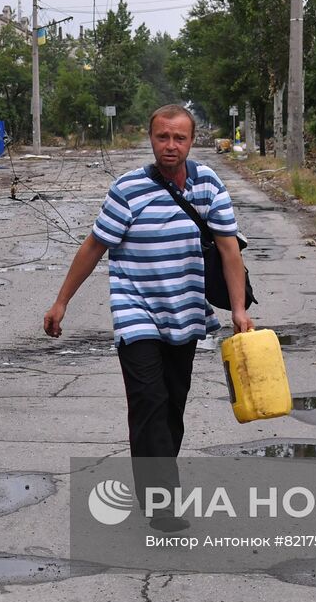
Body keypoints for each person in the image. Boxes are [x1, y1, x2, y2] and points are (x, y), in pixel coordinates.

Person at [43, 104, 253, 524]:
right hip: (135, 310)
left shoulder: (209, 185)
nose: (170, 146)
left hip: (187, 313)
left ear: (192, 141)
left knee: (173, 406)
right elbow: (94, 246)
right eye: (162, 137)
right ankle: (162, 504)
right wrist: (61, 300)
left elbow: (230, 250)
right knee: (149, 402)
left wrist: (238, 310)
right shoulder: (129, 188)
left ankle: (157, 480)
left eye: (179, 138)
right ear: (151, 138)